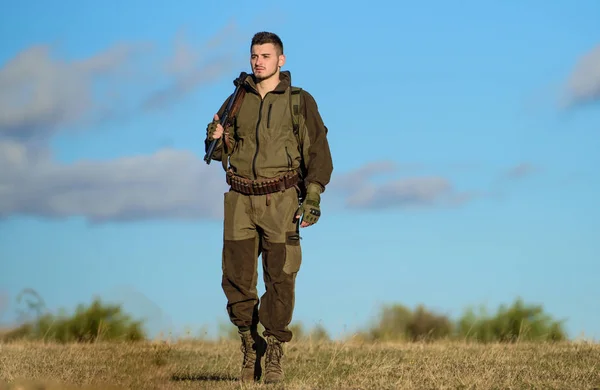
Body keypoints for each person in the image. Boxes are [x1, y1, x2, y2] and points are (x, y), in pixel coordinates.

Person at [204, 31, 333, 383]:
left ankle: (274, 350)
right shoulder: (236, 100)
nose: (258, 61)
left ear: (281, 60)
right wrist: (216, 138)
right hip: (240, 200)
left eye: (265, 55)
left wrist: (314, 196)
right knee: (235, 279)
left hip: (282, 200)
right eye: (254, 56)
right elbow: (217, 152)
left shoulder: (299, 101)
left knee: (280, 279)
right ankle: (250, 345)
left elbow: (318, 152)